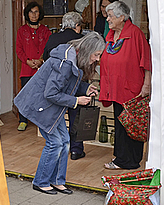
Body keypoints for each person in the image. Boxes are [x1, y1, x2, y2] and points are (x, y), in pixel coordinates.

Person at [15, 33, 105, 195]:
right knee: (55, 143)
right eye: (96, 55)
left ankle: (57, 181)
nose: (97, 59)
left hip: (50, 107)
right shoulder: (65, 63)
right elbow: (51, 93)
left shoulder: (71, 57)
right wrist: (76, 101)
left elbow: (67, 84)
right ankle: (41, 182)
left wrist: (85, 89)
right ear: (88, 50)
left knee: (64, 141)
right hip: (41, 106)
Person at [99, 1, 152, 170]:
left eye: (111, 16)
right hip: (115, 88)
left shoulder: (135, 33)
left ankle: (129, 160)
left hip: (131, 88)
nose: (108, 19)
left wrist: (147, 83)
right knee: (120, 124)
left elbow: (146, 60)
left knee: (131, 124)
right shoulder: (111, 36)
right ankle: (122, 158)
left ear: (122, 17)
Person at [42, 12, 86, 160]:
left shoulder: (53, 38)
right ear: (77, 26)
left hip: (55, 84)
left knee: (57, 116)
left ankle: (58, 147)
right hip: (75, 84)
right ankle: (76, 150)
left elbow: (45, 59)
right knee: (76, 116)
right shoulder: (82, 39)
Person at [15, 1, 51, 131]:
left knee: (42, 95)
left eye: (36, 12)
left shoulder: (46, 31)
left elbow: (48, 48)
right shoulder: (21, 30)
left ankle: (40, 120)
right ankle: (23, 120)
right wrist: (28, 61)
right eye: (31, 12)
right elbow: (19, 50)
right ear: (27, 14)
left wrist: (41, 60)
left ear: (40, 14)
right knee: (25, 95)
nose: (34, 14)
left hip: (42, 69)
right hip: (26, 68)